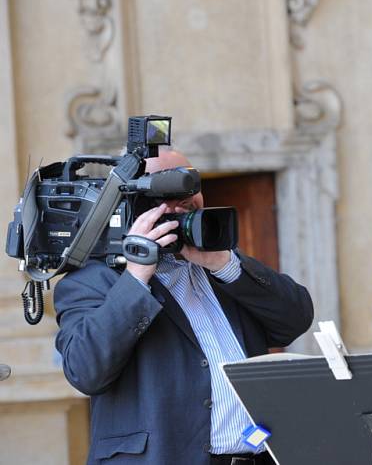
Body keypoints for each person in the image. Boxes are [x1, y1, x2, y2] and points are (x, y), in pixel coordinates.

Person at [54, 148, 314, 465]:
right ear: (131, 203)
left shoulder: (221, 263)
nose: (185, 202)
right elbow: (85, 372)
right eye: (167, 192)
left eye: (191, 187)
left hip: (256, 456)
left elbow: (295, 320)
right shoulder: (94, 280)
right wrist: (137, 277)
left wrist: (225, 265)